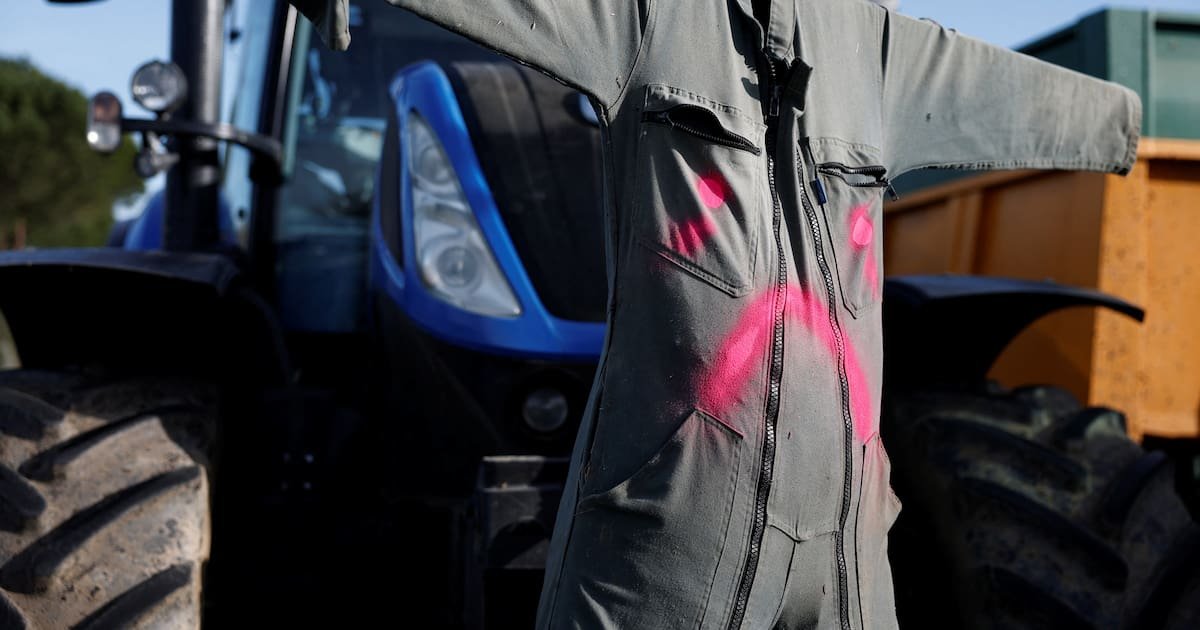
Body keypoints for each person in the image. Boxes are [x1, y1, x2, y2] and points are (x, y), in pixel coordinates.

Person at [295, 1, 1141, 627]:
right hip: (670, 546)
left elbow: (1014, 91)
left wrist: (1120, 120)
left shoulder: (877, 49)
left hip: (849, 555)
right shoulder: (644, 18)